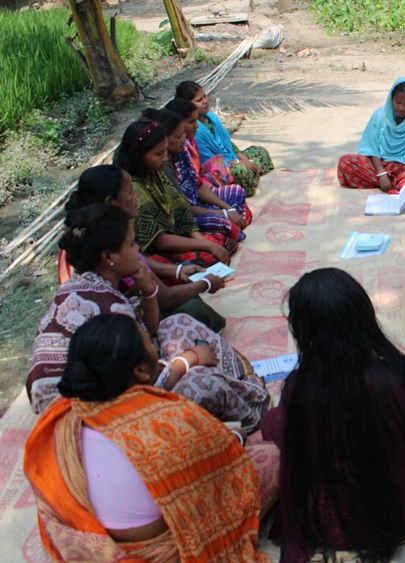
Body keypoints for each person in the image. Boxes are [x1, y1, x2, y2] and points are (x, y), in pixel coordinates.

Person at [23, 313, 273, 562]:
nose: (155, 348)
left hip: (91, 542)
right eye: (148, 342)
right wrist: (234, 439)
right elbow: (218, 476)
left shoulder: (60, 414)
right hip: (165, 551)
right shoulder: (166, 421)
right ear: (141, 371)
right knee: (273, 457)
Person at [260, 268, 405, 563]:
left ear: (304, 331)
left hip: (331, 528)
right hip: (404, 518)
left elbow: (277, 432)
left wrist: (271, 417)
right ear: (365, 316)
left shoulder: (301, 389)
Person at [27, 204, 270, 431]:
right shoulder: (110, 309)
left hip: (101, 390)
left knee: (176, 322)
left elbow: (150, 331)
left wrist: (148, 289)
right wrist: (189, 359)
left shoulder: (88, 287)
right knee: (203, 383)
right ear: (109, 257)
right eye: (133, 245)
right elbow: (142, 384)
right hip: (88, 422)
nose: (138, 251)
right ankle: (251, 416)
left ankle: (240, 380)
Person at [63, 164, 227, 331]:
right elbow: (165, 300)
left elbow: (142, 262)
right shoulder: (111, 248)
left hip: (136, 315)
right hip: (125, 335)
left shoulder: (107, 235)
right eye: (130, 191)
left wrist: (176, 271)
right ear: (110, 201)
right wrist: (205, 283)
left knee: (184, 284)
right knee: (193, 309)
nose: (137, 195)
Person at [114, 118, 234, 269]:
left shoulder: (155, 172)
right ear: (139, 155)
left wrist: (203, 241)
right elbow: (160, 241)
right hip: (151, 252)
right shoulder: (133, 188)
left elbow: (182, 212)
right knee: (209, 254)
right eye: (158, 153)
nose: (165, 157)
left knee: (223, 236)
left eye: (165, 150)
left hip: (174, 237)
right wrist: (207, 246)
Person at [147, 107, 252, 243]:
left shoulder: (182, 153)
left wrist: (228, 208)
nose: (183, 139)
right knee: (221, 222)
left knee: (237, 191)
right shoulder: (164, 168)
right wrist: (223, 213)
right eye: (178, 137)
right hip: (189, 216)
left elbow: (199, 186)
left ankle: (230, 225)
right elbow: (186, 210)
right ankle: (227, 228)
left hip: (198, 204)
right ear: (164, 139)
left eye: (183, 134)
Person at [336, 77, 405, 199]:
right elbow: (371, 147)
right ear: (391, 99)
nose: (401, 108)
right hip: (380, 165)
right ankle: (400, 185)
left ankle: (399, 184)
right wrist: (381, 173)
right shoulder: (380, 115)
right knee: (345, 162)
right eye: (398, 102)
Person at [174, 80, 274, 196]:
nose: (205, 101)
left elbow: (227, 142)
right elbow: (210, 161)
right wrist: (238, 163)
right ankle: (250, 176)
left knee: (260, 152)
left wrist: (242, 158)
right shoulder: (194, 130)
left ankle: (251, 174)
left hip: (231, 158)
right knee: (240, 171)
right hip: (217, 169)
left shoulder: (211, 117)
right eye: (199, 100)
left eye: (205, 96)